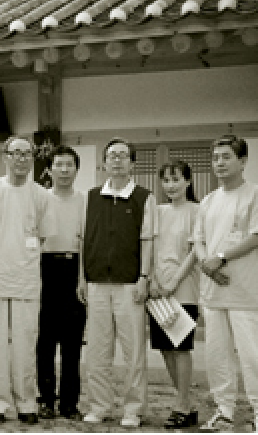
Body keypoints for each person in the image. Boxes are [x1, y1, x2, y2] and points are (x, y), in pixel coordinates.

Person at [194, 135, 258, 433]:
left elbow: (257, 236)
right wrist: (208, 265)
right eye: (216, 157)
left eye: (226, 157)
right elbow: (198, 241)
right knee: (217, 356)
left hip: (246, 291)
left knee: (253, 355)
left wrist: (219, 257)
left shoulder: (257, 195)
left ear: (242, 161)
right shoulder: (208, 201)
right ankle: (224, 410)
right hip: (214, 291)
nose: (219, 163)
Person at [0, 135, 56, 425]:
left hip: (26, 279)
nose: (21, 158)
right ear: (4, 156)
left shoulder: (42, 195)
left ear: (33, 158)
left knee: (25, 342)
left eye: (27, 153)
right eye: (15, 153)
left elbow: (43, 236)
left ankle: (26, 401)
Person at [82, 137, 157, 428]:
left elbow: (148, 241)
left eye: (123, 155)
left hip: (129, 285)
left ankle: (133, 409)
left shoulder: (143, 197)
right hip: (97, 282)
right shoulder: (90, 197)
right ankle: (99, 406)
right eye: (112, 155)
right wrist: (82, 279)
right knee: (98, 349)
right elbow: (82, 241)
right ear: (104, 161)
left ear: (132, 163)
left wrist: (144, 277)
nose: (117, 160)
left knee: (133, 350)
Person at [35, 145, 87, 421]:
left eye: (69, 165)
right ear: (49, 169)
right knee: (44, 340)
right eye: (59, 164)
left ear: (77, 169)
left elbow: (87, 242)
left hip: (74, 269)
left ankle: (69, 403)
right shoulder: (40, 199)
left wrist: (83, 279)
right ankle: (45, 399)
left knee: (72, 342)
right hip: (44, 269)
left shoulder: (85, 200)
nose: (64, 170)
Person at [147, 160, 200, 428]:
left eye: (176, 179)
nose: (171, 185)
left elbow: (194, 252)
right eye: (166, 180)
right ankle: (186, 404)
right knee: (166, 349)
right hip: (158, 290)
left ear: (188, 181)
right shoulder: (157, 211)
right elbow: (150, 248)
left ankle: (181, 403)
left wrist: (174, 282)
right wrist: (154, 281)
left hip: (183, 289)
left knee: (180, 347)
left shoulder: (196, 211)